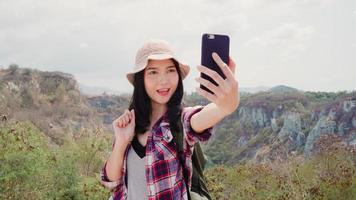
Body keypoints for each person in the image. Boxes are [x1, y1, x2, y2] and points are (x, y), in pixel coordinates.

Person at [100, 39, 239, 200]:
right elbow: (110, 181)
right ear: (141, 79)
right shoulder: (132, 123)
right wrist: (121, 142)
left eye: (170, 70)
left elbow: (202, 116)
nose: (164, 80)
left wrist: (228, 105)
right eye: (153, 72)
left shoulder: (180, 122)